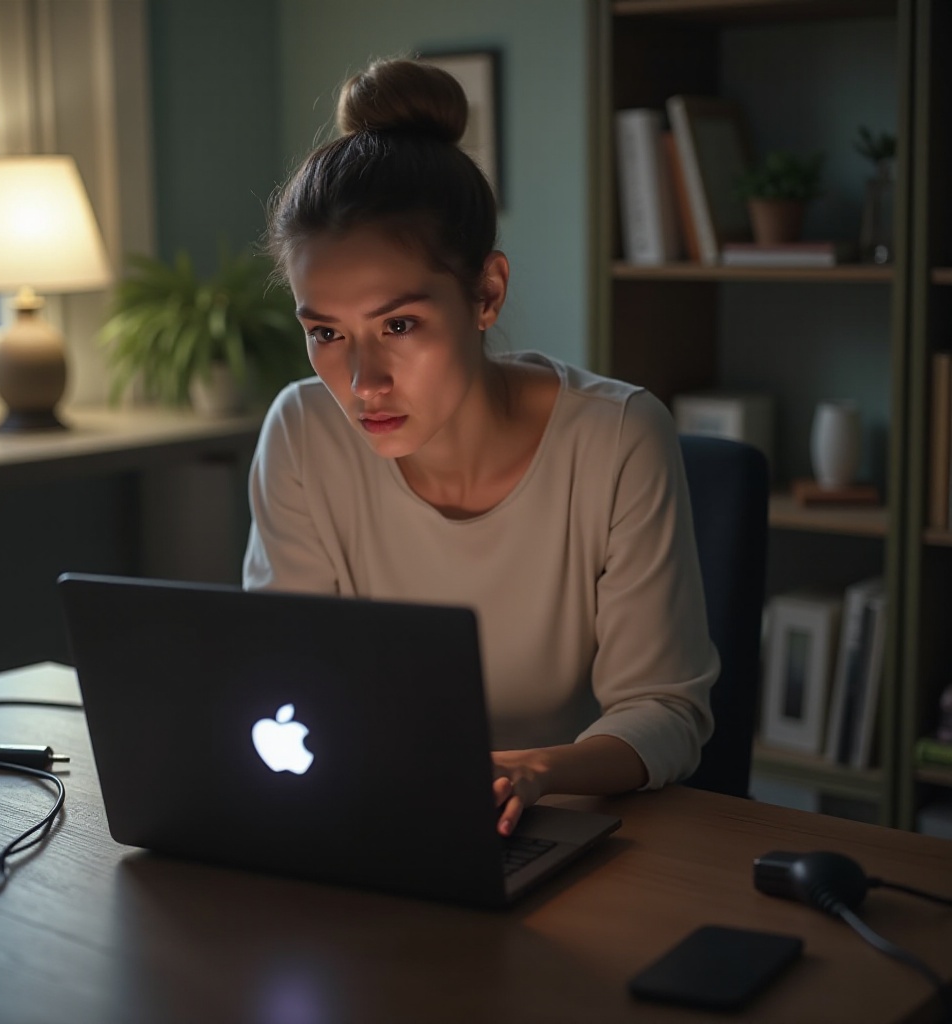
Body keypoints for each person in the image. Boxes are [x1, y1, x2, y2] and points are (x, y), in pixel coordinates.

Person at [243, 57, 718, 836]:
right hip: (364, 820)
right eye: (326, 333)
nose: (363, 382)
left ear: (486, 293)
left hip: (562, 826)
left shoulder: (619, 437)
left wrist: (533, 771)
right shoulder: (301, 434)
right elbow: (287, 687)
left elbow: (664, 711)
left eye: (398, 325)